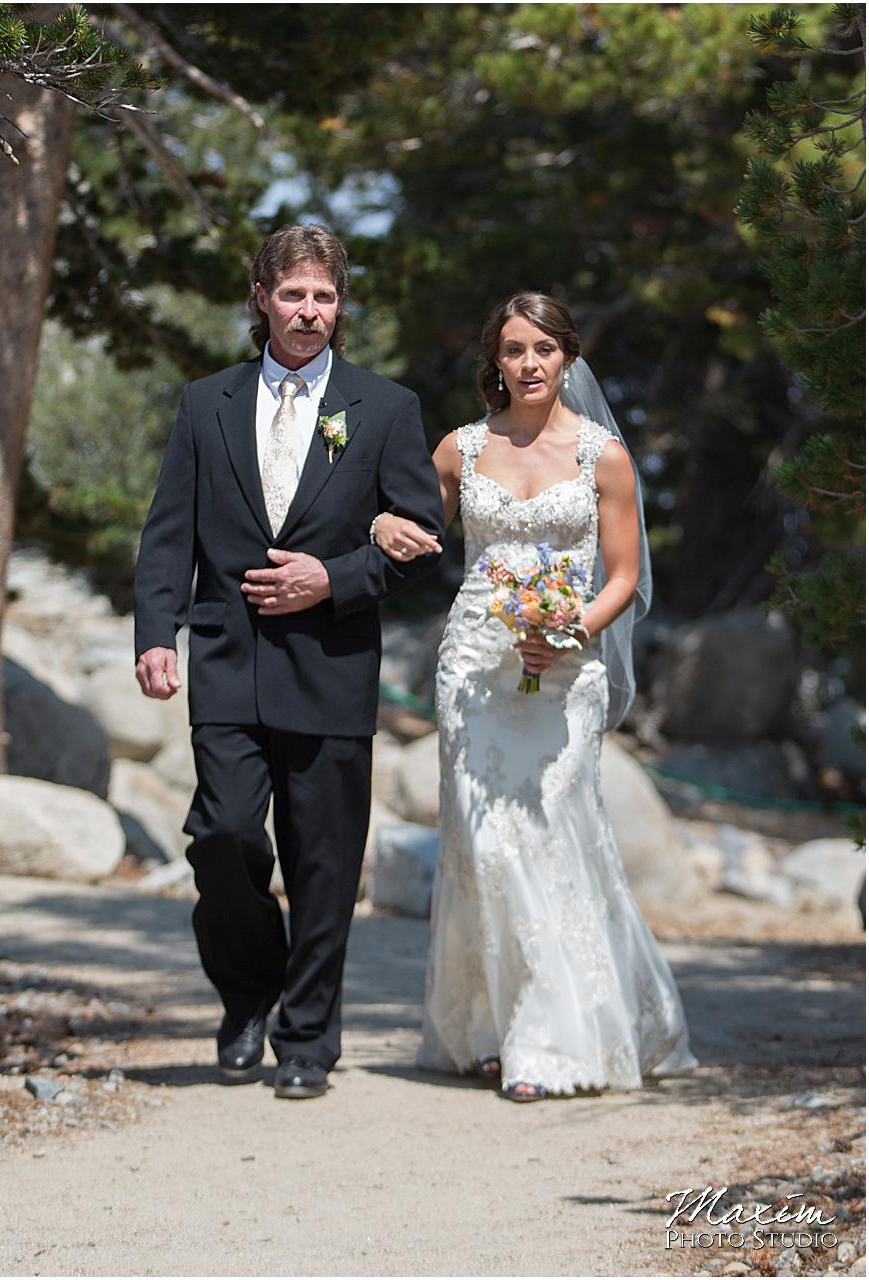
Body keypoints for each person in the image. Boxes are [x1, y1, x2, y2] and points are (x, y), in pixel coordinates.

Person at [133, 224, 444, 1100]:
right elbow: (170, 533)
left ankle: (307, 1040)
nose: (310, 312)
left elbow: (423, 544)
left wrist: (334, 578)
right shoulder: (206, 404)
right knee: (225, 837)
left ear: (340, 306)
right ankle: (246, 998)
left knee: (323, 864)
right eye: (294, 294)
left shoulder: (385, 409)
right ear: (261, 299)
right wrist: (156, 632)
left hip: (332, 666)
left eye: (325, 296)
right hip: (227, 663)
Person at [370, 292, 695, 1102]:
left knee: (549, 830)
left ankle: (554, 1039)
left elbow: (622, 576)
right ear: (496, 361)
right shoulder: (460, 447)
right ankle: (486, 1028)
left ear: (567, 358)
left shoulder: (603, 457)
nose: (530, 363)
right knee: (484, 845)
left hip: (564, 670)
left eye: (544, 349)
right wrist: (381, 526)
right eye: (514, 349)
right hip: (475, 663)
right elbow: (413, 528)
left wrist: (574, 629)